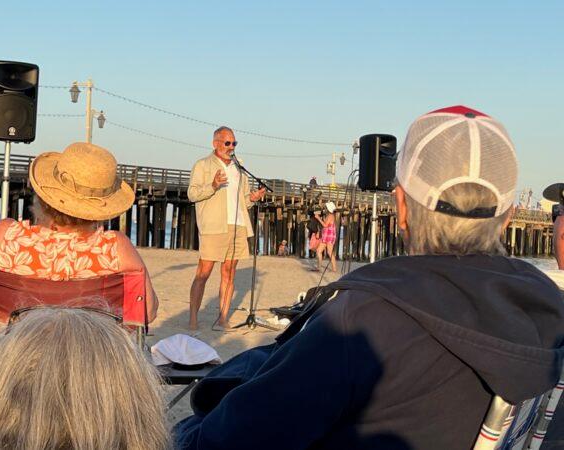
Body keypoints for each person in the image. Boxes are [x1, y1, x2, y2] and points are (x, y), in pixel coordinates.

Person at [175, 106, 564, 449]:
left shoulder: (363, 321)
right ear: (509, 215)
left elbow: (231, 438)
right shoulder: (550, 310)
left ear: (402, 208)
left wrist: (187, 429)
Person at [0, 142, 159, 323]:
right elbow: (147, 312)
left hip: (12, 350)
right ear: (100, 209)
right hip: (89, 352)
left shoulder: (6, 234)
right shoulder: (115, 247)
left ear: (43, 197)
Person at [0, 307, 171, 450]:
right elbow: (149, 309)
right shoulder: (113, 246)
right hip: (99, 357)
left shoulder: (2, 245)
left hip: (21, 348)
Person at [187, 126, 266, 330]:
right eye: (227, 143)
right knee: (203, 273)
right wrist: (212, 185)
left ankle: (222, 319)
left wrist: (253, 198)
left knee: (229, 273)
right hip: (214, 225)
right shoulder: (203, 165)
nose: (231, 147)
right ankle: (193, 320)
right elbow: (192, 194)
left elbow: (244, 200)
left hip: (238, 224)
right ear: (215, 143)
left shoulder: (239, 168)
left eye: (234, 143)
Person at [315, 202, 337, 272]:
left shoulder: (331, 216)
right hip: (326, 235)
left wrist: (318, 218)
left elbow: (325, 225)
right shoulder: (329, 215)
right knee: (319, 251)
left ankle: (334, 268)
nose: (325, 209)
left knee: (329, 252)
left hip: (329, 236)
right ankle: (319, 267)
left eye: (326, 208)